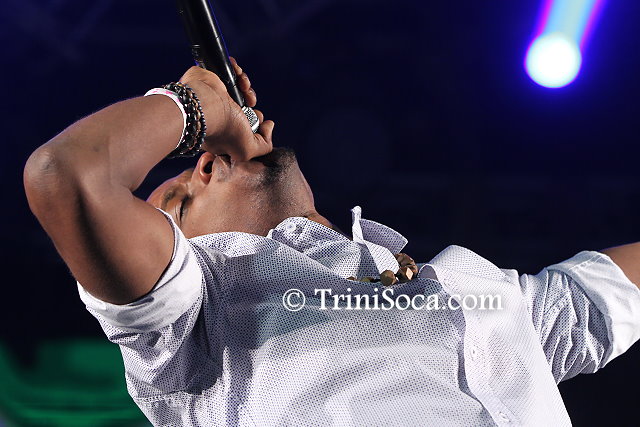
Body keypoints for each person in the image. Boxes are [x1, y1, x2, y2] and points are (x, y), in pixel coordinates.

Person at [24, 60, 640, 426]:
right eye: (182, 202)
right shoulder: (194, 323)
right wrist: (193, 108)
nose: (203, 163)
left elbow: (594, 301)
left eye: (193, 165)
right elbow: (66, 176)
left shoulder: (474, 291)